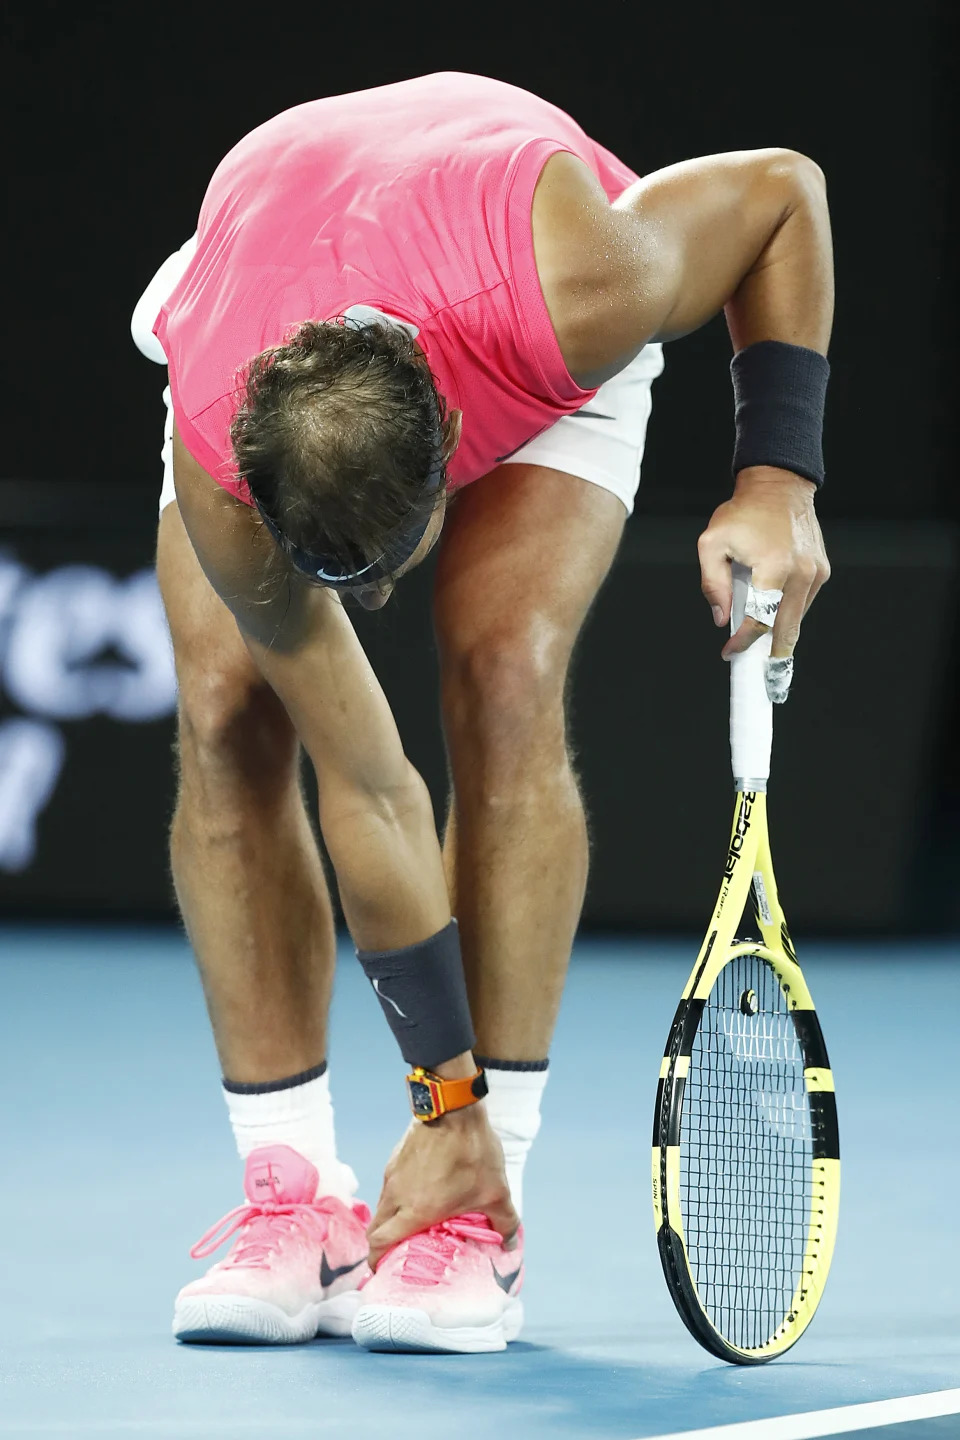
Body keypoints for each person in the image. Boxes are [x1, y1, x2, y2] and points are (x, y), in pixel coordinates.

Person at [131, 70, 832, 1355]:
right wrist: (428, 1088)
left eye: (382, 566)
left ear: (456, 447)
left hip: (489, 274)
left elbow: (786, 190)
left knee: (503, 671)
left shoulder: (586, 285)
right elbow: (375, 784)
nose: (373, 602)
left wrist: (778, 481)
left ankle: (477, 1204)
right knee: (229, 705)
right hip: (271, 254)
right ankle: (297, 1192)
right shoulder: (221, 438)